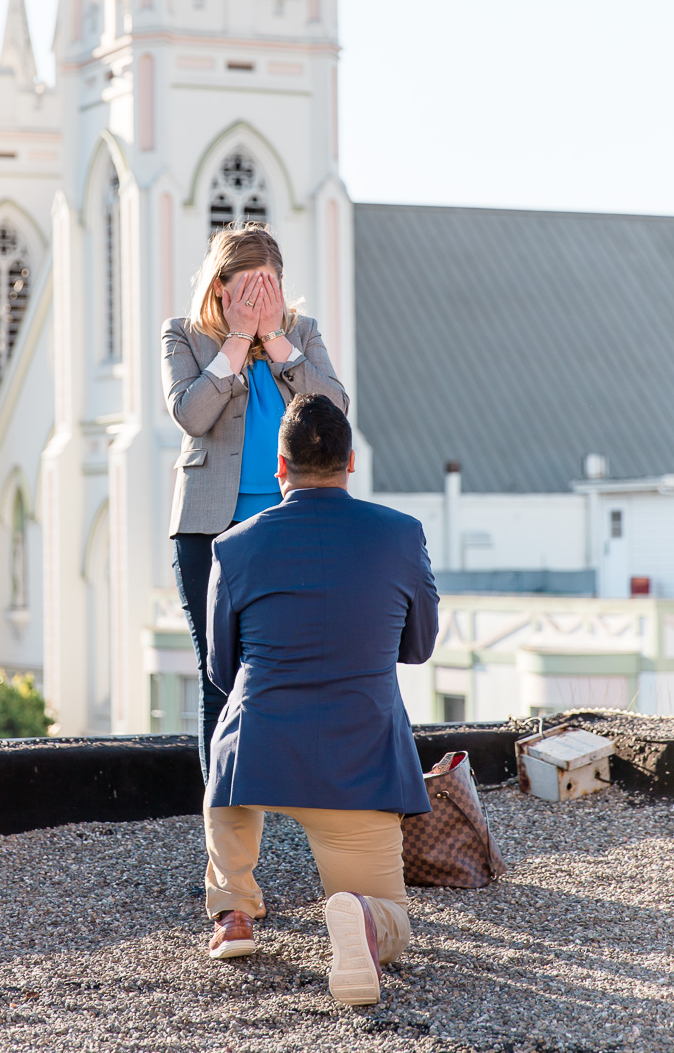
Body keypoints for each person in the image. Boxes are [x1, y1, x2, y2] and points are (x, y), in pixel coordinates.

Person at [202, 393, 439, 1006]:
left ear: (277, 468)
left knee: (232, 740)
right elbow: (418, 647)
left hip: (258, 754)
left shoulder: (232, 547)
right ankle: (359, 921)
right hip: (358, 763)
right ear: (351, 462)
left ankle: (235, 912)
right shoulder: (402, 535)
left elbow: (221, 669)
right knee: (390, 915)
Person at [161, 224, 349, 781]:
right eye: (249, 288)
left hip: (291, 524)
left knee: (291, 667)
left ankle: (292, 793)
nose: (264, 299)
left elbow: (333, 409)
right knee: (219, 672)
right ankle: (224, 810)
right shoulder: (183, 336)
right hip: (208, 531)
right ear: (221, 287)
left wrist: (278, 344)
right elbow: (192, 416)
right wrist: (238, 342)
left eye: (272, 286)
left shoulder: (302, 333)